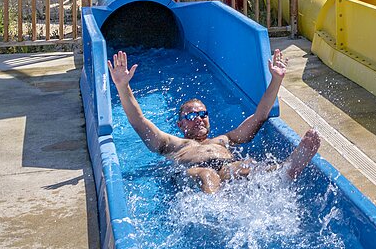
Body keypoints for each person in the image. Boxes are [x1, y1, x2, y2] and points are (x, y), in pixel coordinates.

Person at [108, 48, 320, 193]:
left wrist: (276, 79)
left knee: (247, 165)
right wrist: (122, 86)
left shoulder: (223, 140)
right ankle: (218, 213)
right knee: (207, 175)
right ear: (180, 124)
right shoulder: (173, 144)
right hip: (194, 171)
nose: (198, 119)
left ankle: (287, 170)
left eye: (203, 114)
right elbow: (139, 121)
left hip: (227, 167)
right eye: (190, 116)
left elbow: (260, 116)